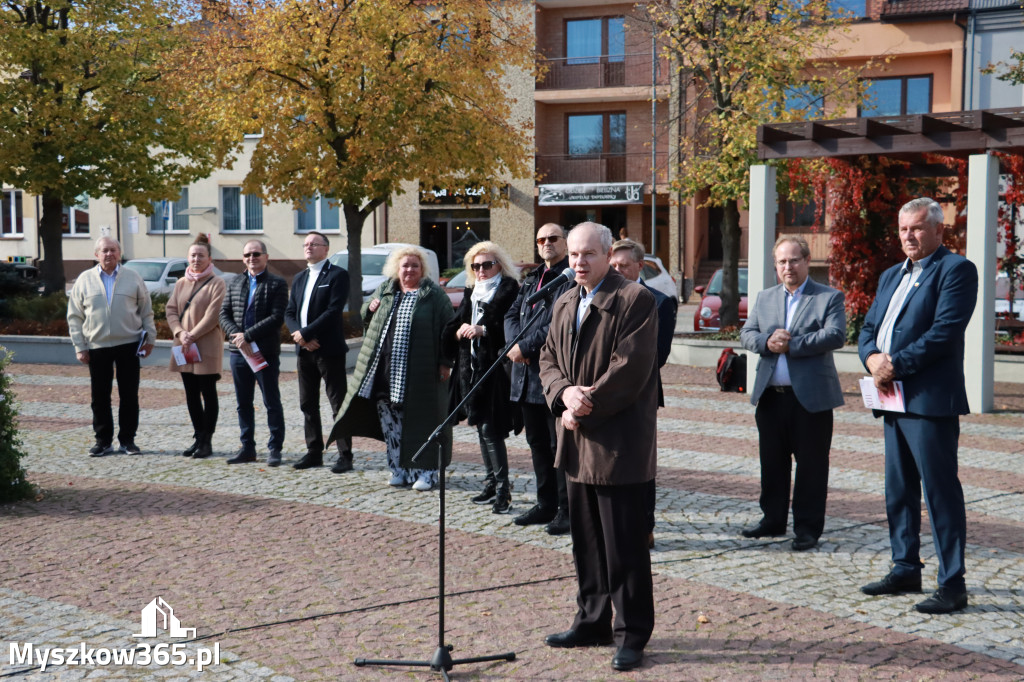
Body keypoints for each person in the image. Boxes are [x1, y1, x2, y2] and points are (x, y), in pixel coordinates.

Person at [538, 222, 659, 672]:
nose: (578, 262)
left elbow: (630, 369)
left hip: (617, 445)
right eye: (572, 254)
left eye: (588, 254)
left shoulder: (634, 300)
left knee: (624, 545)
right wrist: (563, 395)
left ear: (609, 254)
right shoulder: (565, 299)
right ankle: (592, 620)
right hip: (574, 441)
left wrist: (583, 404)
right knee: (586, 543)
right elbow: (548, 358)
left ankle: (631, 634)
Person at [858, 197, 978, 615]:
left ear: (939, 231)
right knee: (899, 489)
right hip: (891, 398)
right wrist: (872, 358)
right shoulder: (892, 274)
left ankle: (952, 583)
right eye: (903, 228)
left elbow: (945, 331)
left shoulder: (956, 270)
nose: (908, 235)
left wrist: (895, 364)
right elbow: (869, 327)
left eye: (918, 228)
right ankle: (906, 566)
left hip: (928, 402)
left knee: (940, 493)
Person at [739, 235, 846, 552]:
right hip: (771, 396)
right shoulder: (766, 297)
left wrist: (792, 345)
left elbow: (836, 335)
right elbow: (747, 333)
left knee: (812, 465)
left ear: (807, 261)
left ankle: (807, 528)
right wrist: (767, 342)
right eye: (782, 261)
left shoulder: (828, 297)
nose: (788, 266)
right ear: (776, 265)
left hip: (811, 399)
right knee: (772, 463)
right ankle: (772, 520)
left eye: (794, 260)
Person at [328, 246, 454, 491]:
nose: (409, 270)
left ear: (422, 269)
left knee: (422, 422)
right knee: (391, 424)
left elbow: (448, 331)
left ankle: (426, 473)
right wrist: (369, 308)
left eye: (414, 266)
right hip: (385, 370)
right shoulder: (386, 290)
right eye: (405, 265)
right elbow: (367, 320)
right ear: (397, 268)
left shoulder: (433, 295)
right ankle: (399, 469)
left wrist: (446, 363)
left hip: (419, 373)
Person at [505, 222, 575, 535]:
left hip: (552, 376)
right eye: (541, 239)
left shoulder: (569, 278)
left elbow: (559, 322)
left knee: (557, 445)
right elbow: (511, 314)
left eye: (553, 238)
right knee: (536, 445)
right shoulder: (532, 277)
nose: (546, 243)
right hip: (523, 376)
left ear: (564, 242)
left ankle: (566, 509)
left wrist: (526, 346)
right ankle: (545, 503)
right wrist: (513, 346)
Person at [609, 238, 678, 548]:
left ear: (640, 267)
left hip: (641, 395)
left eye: (624, 265)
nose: (618, 270)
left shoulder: (661, 301)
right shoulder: (601, 298)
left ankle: (643, 526)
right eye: (614, 265)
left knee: (639, 463)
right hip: (601, 394)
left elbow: (657, 355)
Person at [443, 241, 520, 514]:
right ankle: (490, 483)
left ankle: (503, 489)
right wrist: (459, 331)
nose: (481, 270)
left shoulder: (509, 289)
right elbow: (454, 325)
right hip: (470, 369)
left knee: (491, 429)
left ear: (499, 264)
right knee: (479, 425)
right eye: (476, 266)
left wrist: (483, 330)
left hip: (496, 369)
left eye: (487, 264)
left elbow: (511, 329)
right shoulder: (472, 291)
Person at [67, 236, 156, 456]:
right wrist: (80, 345)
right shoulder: (84, 279)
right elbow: (74, 316)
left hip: (128, 344)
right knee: (100, 396)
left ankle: (127, 440)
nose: (109, 254)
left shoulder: (133, 277)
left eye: (113, 250)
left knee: (129, 395)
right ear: (96, 254)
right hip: (97, 346)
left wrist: (150, 339)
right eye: (104, 250)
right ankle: (103, 441)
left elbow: (146, 311)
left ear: (120, 253)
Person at [284, 231, 353, 473]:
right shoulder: (300, 276)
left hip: (329, 350)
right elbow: (289, 312)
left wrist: (307, 333)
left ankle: (345, 455)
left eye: (314, 244)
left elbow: (333, 310)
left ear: (326, 248)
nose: (309, 247)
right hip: (304, 351)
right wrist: (300, 337)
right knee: (307, 403)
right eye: (306, 244)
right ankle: (314, 452)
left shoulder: (337, 275)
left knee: (338, 403)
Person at [219, 239, 288, 466]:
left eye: (256, 254)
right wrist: (238, 337)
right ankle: (247, 448)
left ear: (266, 257)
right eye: (247, 254)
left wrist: (247, 336)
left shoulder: (277, 284)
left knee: (271, 401)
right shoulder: (235, 282)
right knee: (243, 403)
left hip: (264, 352)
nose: (252, 258)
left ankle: (275, 448)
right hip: (239, 354)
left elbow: (277, 317)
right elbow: (224, 314)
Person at [165, 234, 227, 460]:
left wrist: (192, 334)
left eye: (201, 255)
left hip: (206, 346)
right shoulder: (181, 283)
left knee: (208, 392)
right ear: (187, 258)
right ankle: (198, 436)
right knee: (191, 393)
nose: (196, 259)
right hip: (183, 346)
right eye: (193, 255)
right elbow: (171, 310)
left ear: (209, 258)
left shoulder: (217, 283)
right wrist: (180, 333)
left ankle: (207, 440)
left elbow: (213, 315)